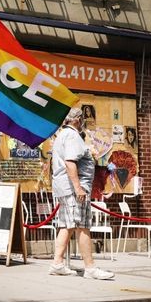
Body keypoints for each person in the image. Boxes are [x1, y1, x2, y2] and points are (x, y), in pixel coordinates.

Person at [49, 107, 114, 280]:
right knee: (82, 226)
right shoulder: (72, 135)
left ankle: (57, 263)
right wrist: (78, 188)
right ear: (77, 120)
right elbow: (70, 162)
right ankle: (90, 268)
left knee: (67, 225)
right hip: (74, 189)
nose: (83, 122)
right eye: (82, 119)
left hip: (65, 187)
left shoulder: (61, 135)